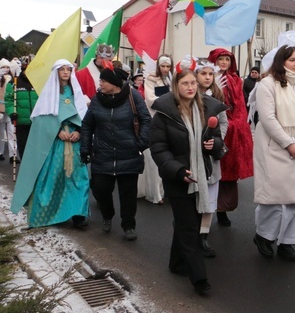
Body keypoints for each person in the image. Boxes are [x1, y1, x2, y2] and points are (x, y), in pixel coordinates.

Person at [149, 65, 227, 295]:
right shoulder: (164, 112)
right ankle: (199, 279)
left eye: (193, 83)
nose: (191, 87)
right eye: (185, 83)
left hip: (201, 175)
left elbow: (218, 140)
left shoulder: (207, 108)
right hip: (178, 178)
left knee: (187, 223)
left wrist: (215, 145)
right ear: (176, 86)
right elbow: (159, 148)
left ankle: (176, 263)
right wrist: (177, 170)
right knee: (190, 227)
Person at [10, 59, 90, 229]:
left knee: (78, 179)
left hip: (75, 143)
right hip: (55, 144)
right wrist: (57, 130)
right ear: (56, 72)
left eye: (69, 69)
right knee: (53, 179)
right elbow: (42, 119)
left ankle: (78, 214)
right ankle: (51, 213)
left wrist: (79, 131)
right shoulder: (49, 94)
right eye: (62, 69)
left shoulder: (76, 92)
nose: (66, 72)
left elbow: (85, 116)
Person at [252, 45, 295, 262]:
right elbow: (267, 118)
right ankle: (264, 236)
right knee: (274, 198)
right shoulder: (267, 84)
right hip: (274, 144)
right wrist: (289, 144)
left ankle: (288, 242)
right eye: (291, 60)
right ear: (281, 61)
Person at [80, 65, 152, 240]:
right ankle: (107, 215)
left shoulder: (132, 96)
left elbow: (145, 119)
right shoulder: (97, 99)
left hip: (129, 154)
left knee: (128, 194)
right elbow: (87, 125)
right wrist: (85, 148)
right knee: (101, 189)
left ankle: (129, 225)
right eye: (101, 80)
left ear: (114, 83)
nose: (101, 84)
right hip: (102, 155)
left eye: (104, 81)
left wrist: (140, 144)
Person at [207, 48, 254, 227]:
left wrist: (239, 126)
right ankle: (207, 213)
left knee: (229, 174)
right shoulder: (209, 77)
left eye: (227, 59)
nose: (224, 62)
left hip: (233, 132)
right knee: (214, 172)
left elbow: (240, 107)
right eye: (221, 59)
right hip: (216, 129)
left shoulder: (235, 79)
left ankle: (223, 211)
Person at [194, 59, 229, 257]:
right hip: (192, 154)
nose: (207, 77)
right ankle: (190, 231)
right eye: (203, 73)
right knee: (195, 196)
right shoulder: (188, 95)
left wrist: (216, 140)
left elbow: (223, 123)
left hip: (210, 156)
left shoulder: (217, 96)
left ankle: (204, 235)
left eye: (210, 74)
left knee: (210, 196)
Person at [140, 55, 173, 204]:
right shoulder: (151, 79)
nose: (165, 69)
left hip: (170, 120)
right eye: (163, 66)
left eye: (168, 66)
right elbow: (150, 100)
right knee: (155, 157)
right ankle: (156, 193)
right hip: (156, 119)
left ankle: (166, 190)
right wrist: (169, 101)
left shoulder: (171, 79)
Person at [5, 60, 38, 160]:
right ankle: (25, 172)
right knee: (23, 149)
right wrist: (12, 113)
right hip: (21, 122)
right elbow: (9, 100)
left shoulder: (37, 82)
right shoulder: (14, 83)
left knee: (36, 150)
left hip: (37, 122)